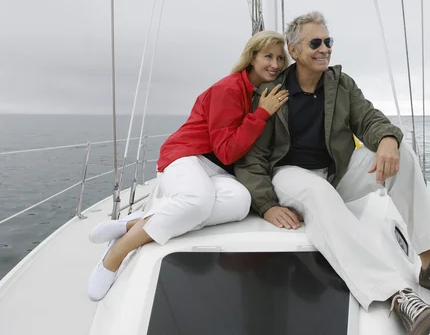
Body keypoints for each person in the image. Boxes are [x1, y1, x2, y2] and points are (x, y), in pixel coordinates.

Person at [235, 12, 430, 335]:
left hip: (336, 172)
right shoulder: (272, 91)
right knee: (318, 194)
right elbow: (253, 157)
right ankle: (396, 294)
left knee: (402, 152)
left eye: (328, 42)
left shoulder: (340, 84)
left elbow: (369, 118)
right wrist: (266, 204)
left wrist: (388, 139)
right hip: (289, 174)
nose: (325, 49)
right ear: (294, 49)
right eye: (315, 43)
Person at [87, 30, 290, 301]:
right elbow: (227, 151)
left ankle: (134, 224)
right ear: (252, 57)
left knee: (241, 202)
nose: (275, 64)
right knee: (197, 201)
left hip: (215, 168)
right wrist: (261, 114)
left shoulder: (258, 92)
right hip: (185, 156)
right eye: (268, 56)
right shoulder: (228, 89)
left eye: (280, 58)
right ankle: (117, 253)